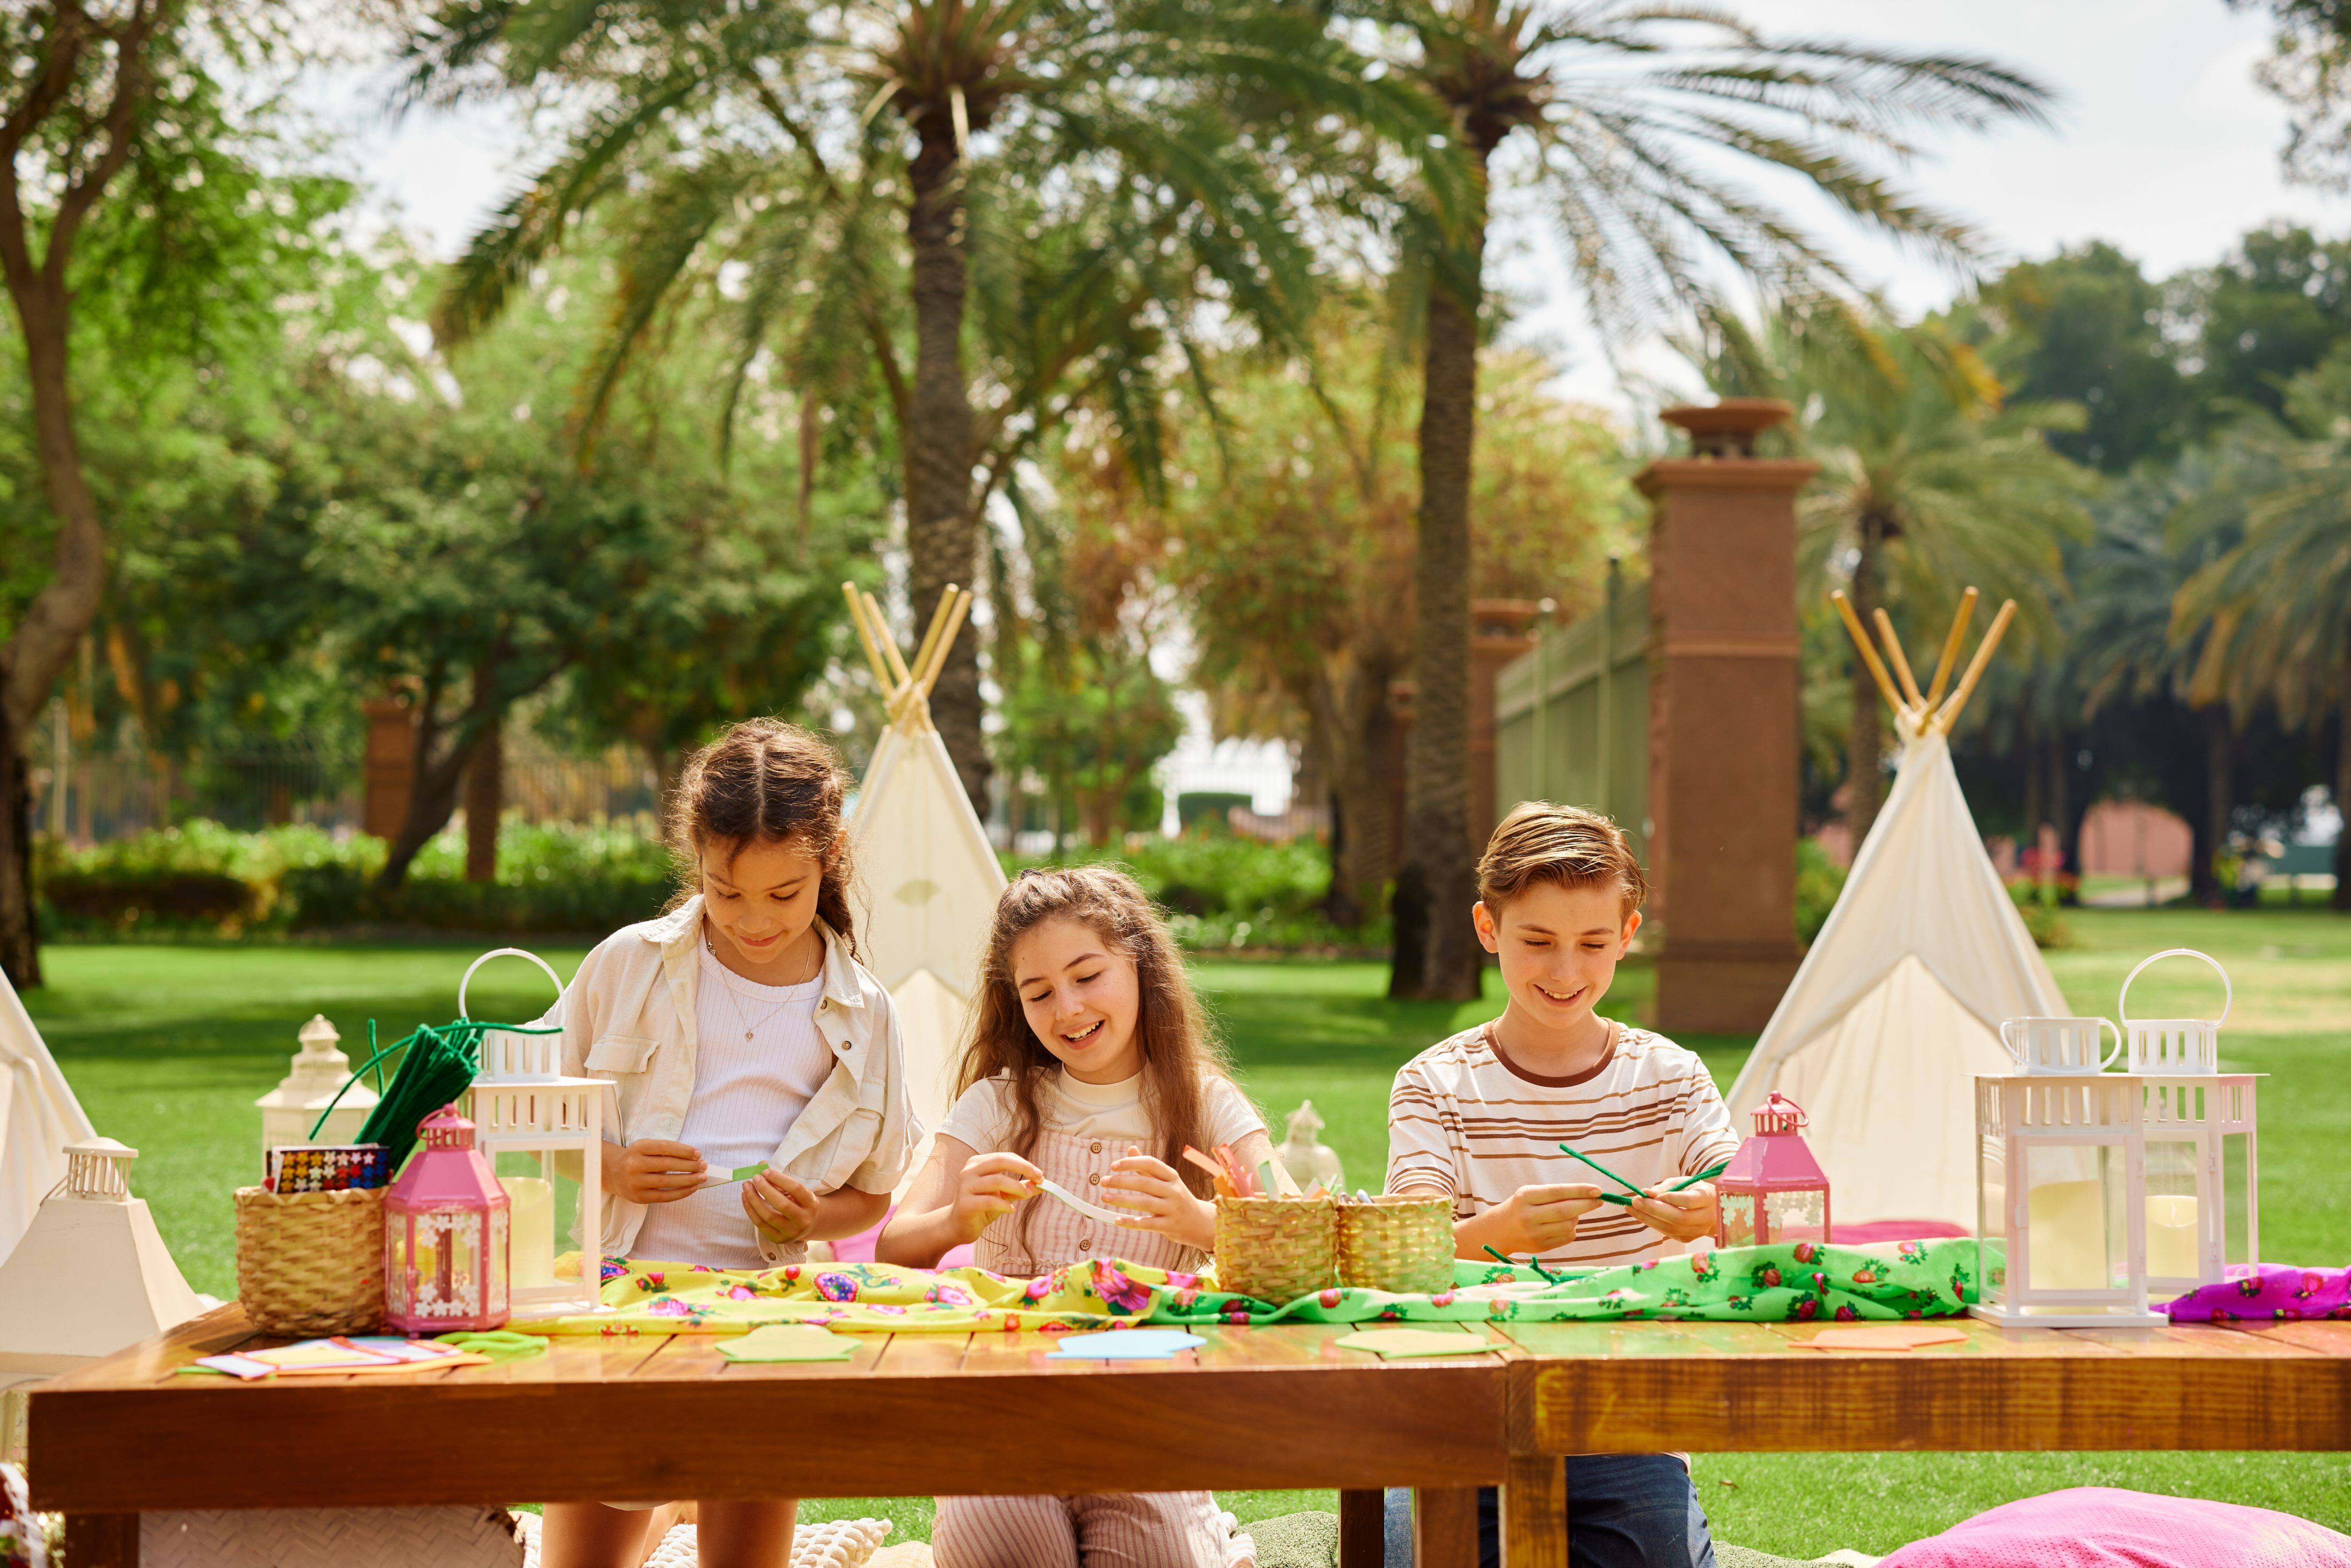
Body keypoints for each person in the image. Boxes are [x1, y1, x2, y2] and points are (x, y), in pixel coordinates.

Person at [538, 718, 919, 1568]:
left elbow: (877, 1192)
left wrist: (816, 1212)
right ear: (697, 865)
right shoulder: (625, 965)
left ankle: (683, 1501)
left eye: (784, 895)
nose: (755, 920)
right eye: (725, 891)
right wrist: (611, 1168)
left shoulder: (865, 1011)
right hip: (623, 1303)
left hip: (766, 1313)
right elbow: (535, 1116)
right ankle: (666, 1504)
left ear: (830, 859)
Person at [877, 865, 1272, 1568]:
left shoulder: (1207, 1106)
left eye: (1088, 976)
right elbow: (893, 1249)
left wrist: (1200, 1223)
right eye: (1039, 992)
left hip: (1149, 1426)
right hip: (1003, 1418)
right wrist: (955, 1224)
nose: (1067, 1009)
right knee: (1005, 1549)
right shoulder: (996, 1106)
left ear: (1139, 964)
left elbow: (1298, 1243)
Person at [1386, 802, 1738, 1568]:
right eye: (1537, 942)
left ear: (1629, 936)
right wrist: (1493, 1237)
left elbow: (1755, 1206)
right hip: (1460, 1416)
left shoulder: (1671, 1077)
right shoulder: (1433, 1086)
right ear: (1488, 928)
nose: (1565, 972)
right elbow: (1400, 1262)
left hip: (1628, 1421)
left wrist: (1714, 1212)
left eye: (1593, 944)